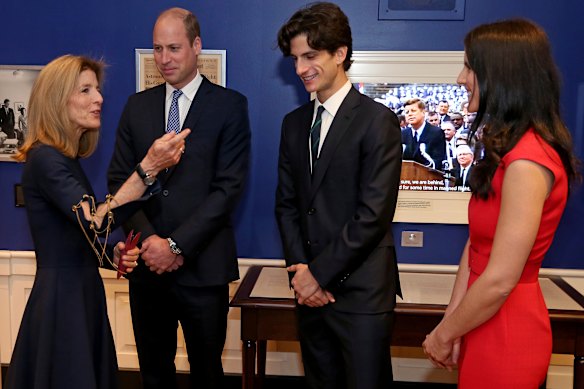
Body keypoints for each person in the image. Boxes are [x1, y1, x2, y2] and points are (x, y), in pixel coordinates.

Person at [4, 55, 188, 389]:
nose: (99, 98)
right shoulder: (46, 158)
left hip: (79, 292)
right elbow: (97, 222)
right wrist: (147, 169)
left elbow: (77, 236)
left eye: (97, 89)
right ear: (58, 100)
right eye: (85, 90)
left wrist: (109, 256)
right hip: (65, 300)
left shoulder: (63, 159)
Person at [422, 19, 579, 388]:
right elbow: (475, 249)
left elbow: (501, 279)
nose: (461, 78)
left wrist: (445, 334)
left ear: (501, 74)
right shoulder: (508, 149)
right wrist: (454, 323)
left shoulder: (528, 160)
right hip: (480, 318)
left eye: (469, 66)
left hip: (508, 329)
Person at [107, 7, 250, 389]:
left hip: (203, 269)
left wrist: (175, 244)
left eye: (174, 48)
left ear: (196, 46)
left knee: (207, 373)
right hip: (146, 270)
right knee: (154, 373)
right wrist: (151, 241)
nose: (165, 59)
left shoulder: (229, 105)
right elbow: (119, 181)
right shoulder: (137, 106)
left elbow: (228, 189)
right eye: (157, 49)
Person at [275, 3, 402, 389]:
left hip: (361, 297)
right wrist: (300, 270)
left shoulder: (378, 121)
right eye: (295, 59)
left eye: (310, 56)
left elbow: (373, 215)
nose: (300, 69)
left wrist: (318, 274)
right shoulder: (294, 124)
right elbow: (287, 205)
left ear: (340, 53)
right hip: (310, 295)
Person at [401, 98, 446, 170]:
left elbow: (437, 160)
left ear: (423, 112)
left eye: (413, 111)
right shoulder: (403, 134)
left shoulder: (436, 133)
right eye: (407, 112)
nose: (410, 114)